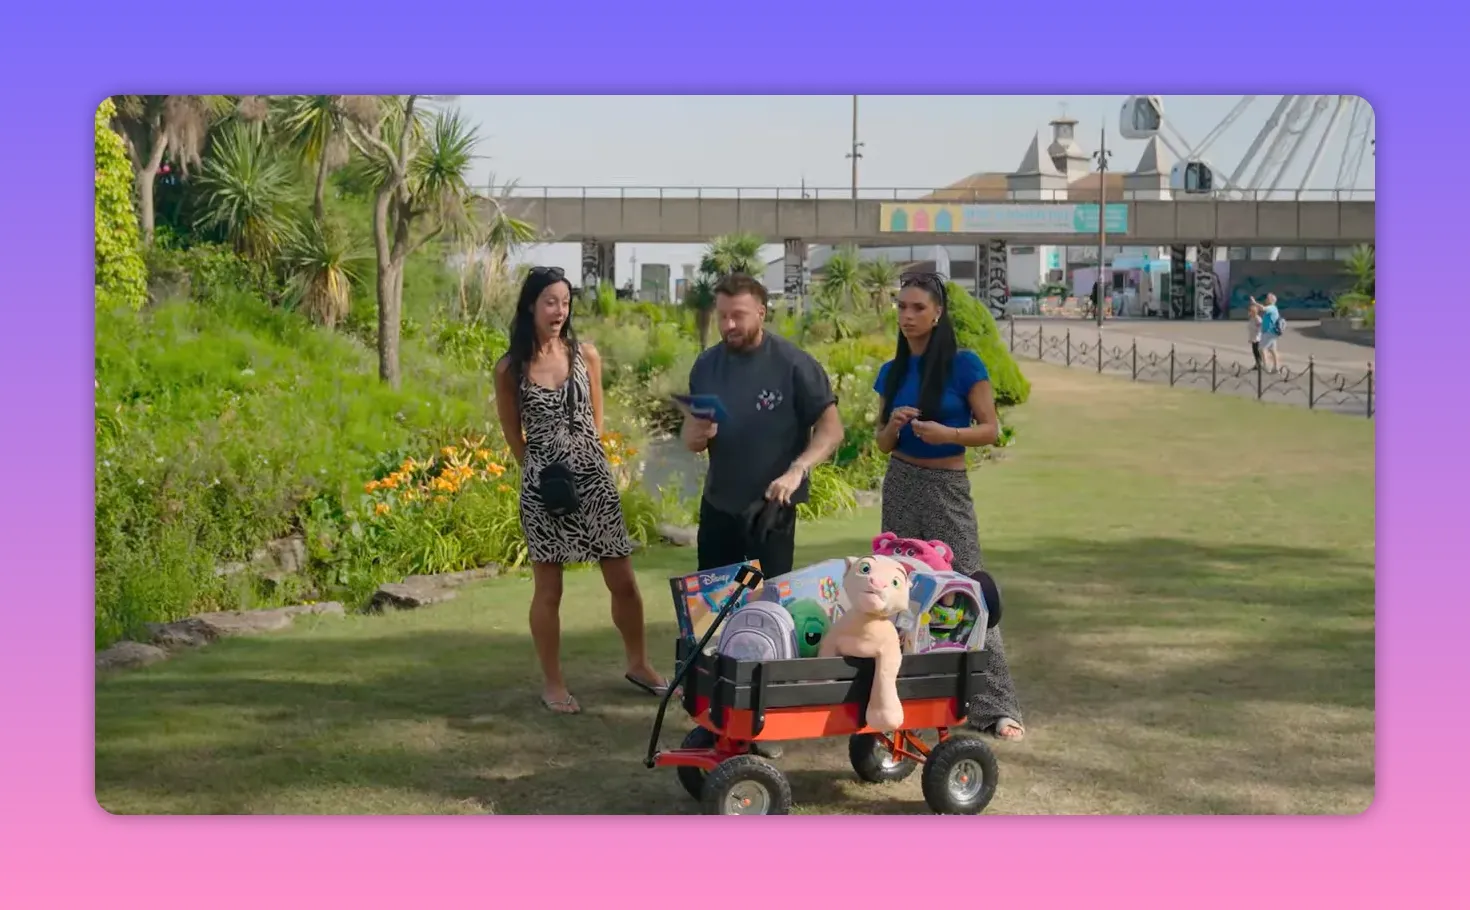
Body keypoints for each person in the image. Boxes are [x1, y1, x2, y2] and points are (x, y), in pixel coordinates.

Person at [493, 266, 667, 715]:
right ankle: (553, 683)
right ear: (531, 305)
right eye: (550, 301)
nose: (559, 310)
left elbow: (597, 421)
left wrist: (583, 462)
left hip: (592, 478)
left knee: (623, 581)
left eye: (565, 302)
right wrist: (543, 472)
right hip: (543, 487)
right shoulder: (510, 368)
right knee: (549, 590)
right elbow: (515, 437)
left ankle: (639, 663)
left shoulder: (584, 354)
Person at [873, 272, 1026, 741]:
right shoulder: (892, 371)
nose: (907, 316)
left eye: (917, 308)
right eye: (901, 307)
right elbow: (880, 444)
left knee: (969, 588)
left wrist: (948, 435)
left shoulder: (965, 364)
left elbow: (990, 429)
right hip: (901, 483)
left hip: (947, 487)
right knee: (897, 591)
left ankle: (996, 706)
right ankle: (904, 695)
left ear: (937, 313)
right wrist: (895, 425)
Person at [681, 272, 844, 581]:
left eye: (738, 316)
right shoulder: (705, 366)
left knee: (766, 607)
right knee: (714, 609)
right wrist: (693, 434)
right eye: (723, 316)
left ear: (761, 312)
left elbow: (832, 430)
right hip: (719, 505)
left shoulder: (794, 364)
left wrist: (798, 470)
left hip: (771, 509)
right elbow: (692, 438)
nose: (728, 325)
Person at [1253, 293, 1283, 373]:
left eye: (1267, 298)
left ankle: (1266, 366)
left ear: (1271, 300)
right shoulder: (1273, 308)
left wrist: (1254, 302)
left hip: (1269, 332)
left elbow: (1262, 308)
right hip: (1271, 332)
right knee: (1273, 350)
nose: (1266, 300)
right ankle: (1276, 367)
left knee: (1262, 348)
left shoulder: (1272, 307)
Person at [1246, 299, 1265, 371]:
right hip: (1253, 337)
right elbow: (1251, 328)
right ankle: (1257, 364)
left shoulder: (1258, 318)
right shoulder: (1252, 318)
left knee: (1257, 351)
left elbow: (1260, 328)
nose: (1249, 312)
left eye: (1250, 311)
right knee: (1254, 351)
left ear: (1253, 312)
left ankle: (1260, 364)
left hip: (1258, 338)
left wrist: (1257, 336)